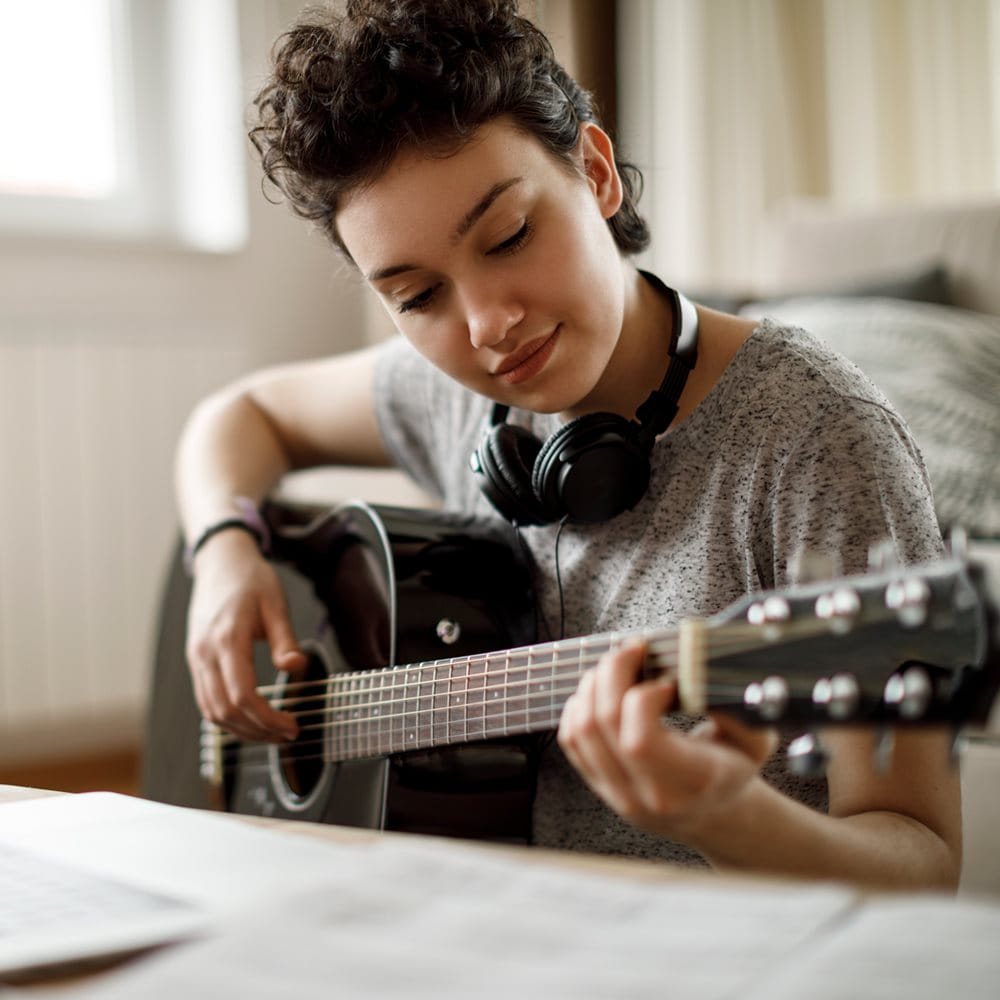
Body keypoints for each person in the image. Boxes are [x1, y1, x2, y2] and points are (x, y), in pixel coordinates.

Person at [175, 0, 961, 888]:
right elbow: (236, 417)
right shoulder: (448, 396)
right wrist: (224, 549)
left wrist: (729, 821)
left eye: (509, 236)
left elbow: (921, 862)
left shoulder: (818, 440)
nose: (488, 326)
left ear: (594, 172)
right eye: (418, 296)